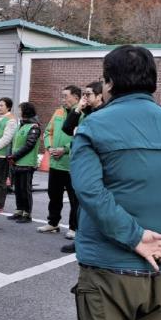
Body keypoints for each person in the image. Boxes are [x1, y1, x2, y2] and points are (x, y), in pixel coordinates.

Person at [70, 45, 161, 320]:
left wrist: (135, 236)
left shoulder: (93, 126)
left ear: (109, 82)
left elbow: (89, 191)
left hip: (107, 268)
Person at [59, 81, 104, 254]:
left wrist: (79, 132)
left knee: (91, 205)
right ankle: (80, 238)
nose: (84, 97)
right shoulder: (86, 111)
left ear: (100, 96)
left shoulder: (104, 112)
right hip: (81, 163)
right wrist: (78, 108)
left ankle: (91, 240)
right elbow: (67, 128)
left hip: (94, 164)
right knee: (80, 204)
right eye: (84, 94)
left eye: (88, 94)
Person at [37, 85, 81, 238]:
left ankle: (74, 228)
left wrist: (65, 149)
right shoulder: (58, 112)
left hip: (71, 165)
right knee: (54, 196)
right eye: (62, 96)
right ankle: (53, 223)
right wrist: (49, 148)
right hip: (55, 163)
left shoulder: (82, 114)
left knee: (74, 199)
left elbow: (81, 137)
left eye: (65, 96)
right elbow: (48, 132)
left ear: (76, 97)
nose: (63, 99)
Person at [6, 102, 42, 223]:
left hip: (26, 163)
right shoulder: (21, 125)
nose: (18, 112)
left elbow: (29, 145)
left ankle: (27, 213)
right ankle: (19, 210)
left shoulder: (34, 127)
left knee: (25, 189)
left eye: (20, 109)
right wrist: (12, 156)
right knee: (18, 188)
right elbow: (15, 143)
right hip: (17, 162)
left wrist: (14, 156)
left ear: (26, 111)